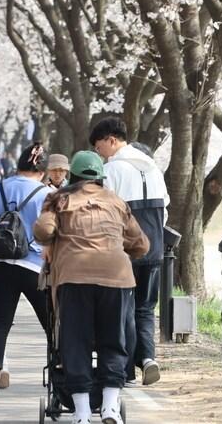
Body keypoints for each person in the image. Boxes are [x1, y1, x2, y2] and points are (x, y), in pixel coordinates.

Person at [34, 150, 149, 424]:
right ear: (101, 177)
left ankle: (82, 413)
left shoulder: (59, 199)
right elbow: (142, 245)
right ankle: (110, 407)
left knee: (76, 342)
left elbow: (43, 232)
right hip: (116, 278)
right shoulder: (116, 201)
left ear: (72, 175)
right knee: (114, 340)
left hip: (74, 279)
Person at [91, 115, 168, 386]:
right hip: (155, 247)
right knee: (145, 309)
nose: (99, 155)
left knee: (123, 309)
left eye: (99, 148)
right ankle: (148, 358)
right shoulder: (153, 169)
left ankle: (126, 371)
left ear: (111, 140)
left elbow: (105, 212)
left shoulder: (112, 171)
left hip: (125, 251)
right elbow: (165, 209)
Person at [0, 142, 52, 395]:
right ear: (43, 170)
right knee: (52, 320)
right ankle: (61, 366)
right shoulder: (47, 195)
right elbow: (52, 233)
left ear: (18, 165)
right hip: (34, 265)